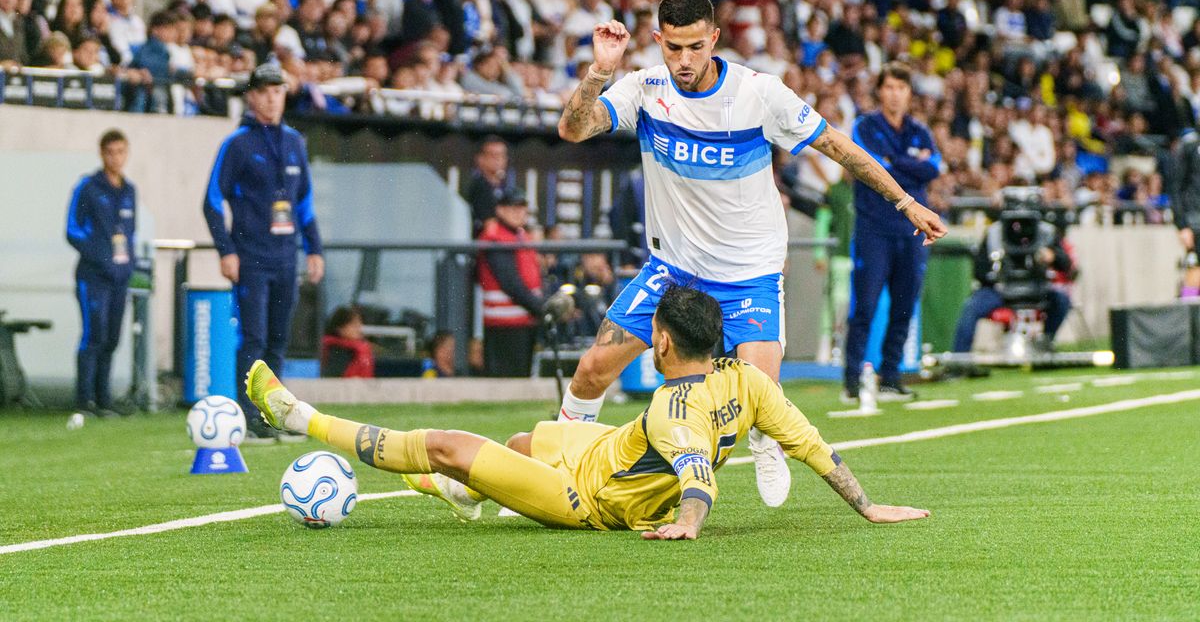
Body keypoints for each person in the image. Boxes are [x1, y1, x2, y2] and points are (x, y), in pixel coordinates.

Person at [554, 0, 945, 508]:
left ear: (714, 38)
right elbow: (572, 129)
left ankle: (765, 440)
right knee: (591, 370)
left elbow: (839, 147)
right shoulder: (642, 88)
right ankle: (557, 462)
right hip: (673, 269)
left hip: (748, 274)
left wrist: (905, 202)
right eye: (674, 48)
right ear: (657, 41)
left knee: (761, 394)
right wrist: (600, 71)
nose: (685, 60)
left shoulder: (759, 93)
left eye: (695, 46)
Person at [244, 285, 930, 538]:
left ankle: (298, 416)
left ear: (660, 342)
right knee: (518, 439)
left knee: (452, 443)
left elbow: (697, 480)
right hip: (602, 446)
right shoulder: (749, 381)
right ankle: (465, 494)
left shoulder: (669, 409)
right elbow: (813, 447)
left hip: (588, 496)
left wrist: (689, 525)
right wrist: (866, 505)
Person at [202, 60, 325, 438]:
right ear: (252, 97)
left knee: (278, 339)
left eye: (278, 92)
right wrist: (226, 250)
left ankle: (276, 414)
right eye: (265, 93)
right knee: (252, 337)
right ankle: (247, 416)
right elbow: (210, 200)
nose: (272, 100)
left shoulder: (294, 142)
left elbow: (303, 204)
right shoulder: (237, 144)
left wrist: (315, 249)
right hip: (251, 256)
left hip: (286, 256)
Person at [843, 63, 942, 403]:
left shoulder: (920, 130)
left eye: (901, 87)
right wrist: (908, 165)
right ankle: (852, 379)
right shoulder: (865, 125)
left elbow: (933, 168)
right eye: (889, 87)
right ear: (880, 91)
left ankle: (890, 376)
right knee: (865, 306)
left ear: (909, 93)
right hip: (874, 229)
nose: (895, 94)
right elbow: (869, 163)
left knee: (904, 306)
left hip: (911, 231)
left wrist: (894, 162)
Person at [65, 129, 136, 417]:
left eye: (121, 152)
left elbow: (130, 235)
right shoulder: (88, 187)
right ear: (102, 153)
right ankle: (85, 400)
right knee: (93, 336)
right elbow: (72, 230)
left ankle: (104, 399)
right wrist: (101, 257)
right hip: (92, 277)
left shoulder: (129, 190)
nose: (116, 158)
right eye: (111, 152)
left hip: (119, 278)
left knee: (111, 338)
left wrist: (126, 265)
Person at [951, 199, 1073, 353]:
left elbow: (1066, 264)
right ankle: (960, 358)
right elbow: (979, 269)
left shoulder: (1046, 232)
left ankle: (1044, 345)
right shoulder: (994, 232)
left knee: (1061, 300)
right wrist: (996, 274)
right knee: (972, 306)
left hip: (1036, 288)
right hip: (1000, 289)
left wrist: (1053, 256)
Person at [477, 187, 544, 377]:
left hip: (525, 321)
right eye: (513, 207)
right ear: (500, 210)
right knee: (506, 383)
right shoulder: (495, 237)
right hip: (504, 325)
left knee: (521, 379)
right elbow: (511, 283)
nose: (519, 212)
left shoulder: (521, 236)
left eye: (522, 207)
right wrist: (543, 308)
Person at [1172, 127, 1200, 298]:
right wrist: (1182, 224)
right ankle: (1189, 313)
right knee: (1194, 269)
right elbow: (1176, 187)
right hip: (1195, 221)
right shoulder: (1190, 147)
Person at [463, 135, 509, 234]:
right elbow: (490, 227)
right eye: (493, 155)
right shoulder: (480, 186)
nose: (498, 160)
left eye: (501, 155)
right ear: (480, 159)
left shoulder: (503, 187)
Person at [320, 306, 375, 378]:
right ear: (340, 328)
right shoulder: (337, 351)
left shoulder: (356, 348)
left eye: (359, 324)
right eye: (354, 325)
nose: (359, 328)